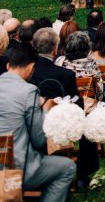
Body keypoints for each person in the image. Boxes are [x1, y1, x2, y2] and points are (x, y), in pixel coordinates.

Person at [0, 43, 77, 200]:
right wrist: (46, 110)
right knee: (67, 167)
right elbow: (39, 139)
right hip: (12, 169)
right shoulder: (28, 91)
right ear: (31, 68)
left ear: (8, 66)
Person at [30, 27, 99, 190]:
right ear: (55, 48)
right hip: (57, 124)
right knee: (85, 124)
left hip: (31, 122)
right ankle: (83, 173)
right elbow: (77, 104)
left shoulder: (28, 71)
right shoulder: (65, 75)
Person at [55, 31, 104, 101]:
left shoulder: (60, 61)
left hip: (64, 101)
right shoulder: (91, 64)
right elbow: (99, 90)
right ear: (87, 48)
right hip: (87, 102)